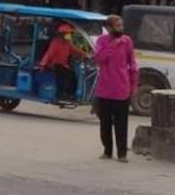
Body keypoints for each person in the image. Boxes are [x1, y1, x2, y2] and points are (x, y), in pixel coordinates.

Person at [93, 14, 139, 162]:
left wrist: (134, 84)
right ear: (109, 28)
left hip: (122, 88)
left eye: (122, 26)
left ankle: (122, 153)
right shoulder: (102, 41)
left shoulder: (127, 41)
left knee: (121, 123)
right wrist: (113, 45)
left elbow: (132, 64)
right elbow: (99, 59)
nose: (121, 28)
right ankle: (107, 151)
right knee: (105, 122)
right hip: (105, 89)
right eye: (118, 26)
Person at [37, 23, 84, 101]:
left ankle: (70, 94)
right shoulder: (55, 43)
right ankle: (60, 94)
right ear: (62, 34)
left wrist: (87, 55)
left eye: (69, 33)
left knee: (73, 75)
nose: (69, 35)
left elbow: (76, 51)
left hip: (63, 65)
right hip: (54, 65)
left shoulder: (68, 43)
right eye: (67, 33)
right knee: (63, 75)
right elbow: (48, 54)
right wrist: (42, 64)